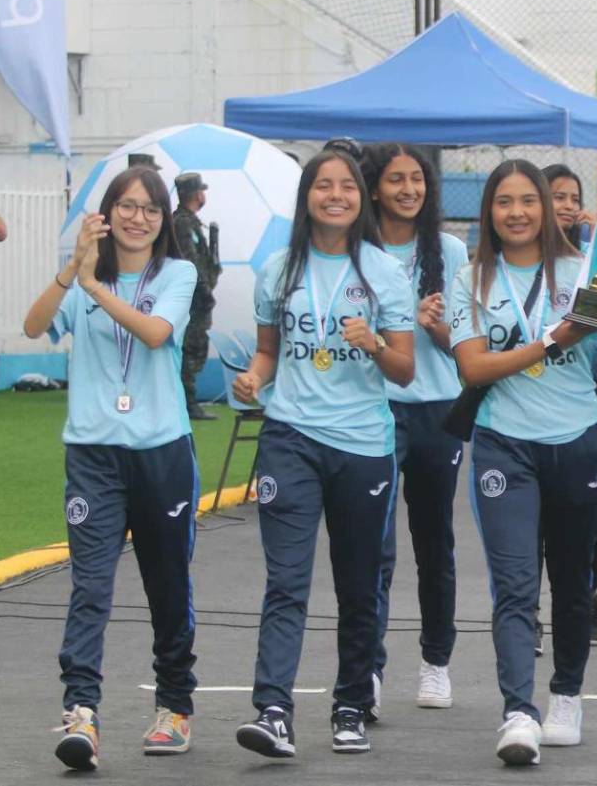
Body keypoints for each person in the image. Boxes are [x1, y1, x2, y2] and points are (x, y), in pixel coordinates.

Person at [449, 159, 597, 766]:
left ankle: (566, 695)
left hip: (576, 437)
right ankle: (517, 713)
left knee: (572, 581)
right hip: (504, 442)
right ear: (490, 212)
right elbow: (473, 368)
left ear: (548, 209)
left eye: (528, 200)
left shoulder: (586, 272)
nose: (518, 212)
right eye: (504, 202)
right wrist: (551, 339)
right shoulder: (471, 278)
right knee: (514, 584)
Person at [232, 149, 416, 758]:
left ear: (361, 198)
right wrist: (253, 380)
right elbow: (267, 352)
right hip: (290, 437)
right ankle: (274, 710)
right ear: (306, 195)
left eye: (346, 186)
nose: (335, 195)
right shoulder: (279, 269)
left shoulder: (384, 272)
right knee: (286, 580)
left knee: (359, 585)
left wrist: (372, 344)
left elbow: (407, 370)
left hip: (363, 444)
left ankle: (349, 704)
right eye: (322, 186)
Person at [23, 166, 199, 771]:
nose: (137, 217)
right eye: (126, 206)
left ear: (163, 219)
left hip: (162, 454)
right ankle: (82, 713)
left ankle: (174, 706)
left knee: (166, 585)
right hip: (94, 455)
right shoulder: (80, 277)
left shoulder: (178, 272)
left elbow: (154, 333)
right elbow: (34, 324)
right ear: (107, 212)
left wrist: (96, 286)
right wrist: (72, 271)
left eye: (150, 209)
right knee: (90, 587)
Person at [361, 143, 468, 716]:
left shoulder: (448, 251)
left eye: (418, 179)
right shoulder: (356, 250)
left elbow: (467, 339)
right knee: (373, 545)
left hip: (436, 410)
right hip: (374, 408)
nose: (409, 188)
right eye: (397, 179)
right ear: (374, 188)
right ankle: (368, 670)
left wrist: (442, 330)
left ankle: (435, 663)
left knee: (434, 541)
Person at [542, 163, 597, 648]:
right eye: (557, 197)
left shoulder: (594, 255)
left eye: (574, 197)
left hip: (586, 391)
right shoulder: (515, 260)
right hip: (526, 394)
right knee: (528, 513)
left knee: (585, 507)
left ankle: (586, 596)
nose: (568, 206)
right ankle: (525, 608)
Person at [173, 172, 220, 421]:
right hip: (192, 299)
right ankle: (187, 402)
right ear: (196, 195)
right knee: (191, 348)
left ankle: (187, 401)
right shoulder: (182, 223)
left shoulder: (189, 222)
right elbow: (189, 260)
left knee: (196, 346)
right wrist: (203, 290)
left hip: (196, 296)